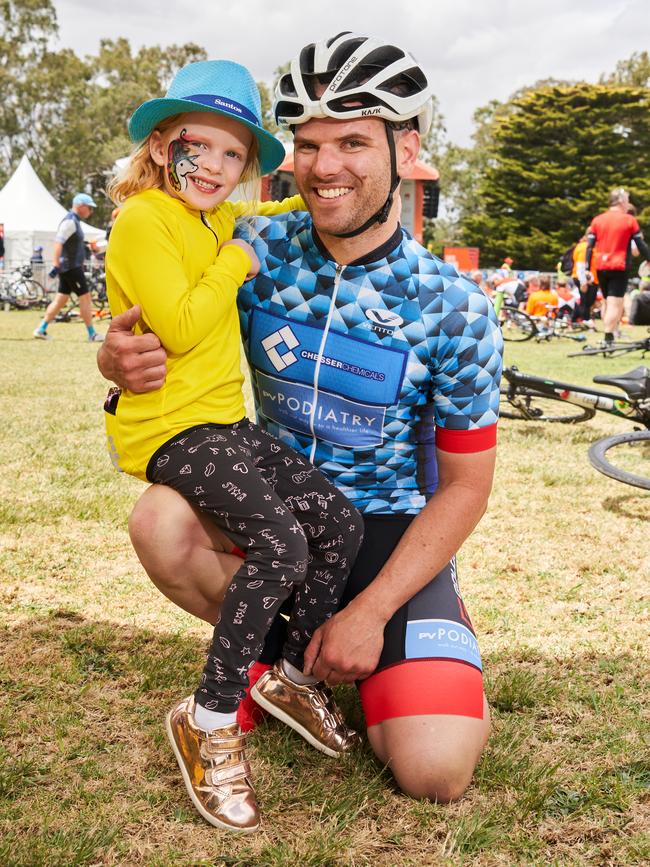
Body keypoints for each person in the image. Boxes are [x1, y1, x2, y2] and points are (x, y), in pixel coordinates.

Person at [97, 32, 503, 812]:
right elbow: (157, 323)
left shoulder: (454, 306)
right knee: (159, 521)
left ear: (405, 147)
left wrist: (375, 609)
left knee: (435, 770)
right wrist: (114, 366)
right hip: (275, 512)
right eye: (310, 144)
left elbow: (466, 489)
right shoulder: (254, 248)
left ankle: (387, 633)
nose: (325, 166)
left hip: (384, 533)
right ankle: (284, 666)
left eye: (352, 141)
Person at [104, 59, 364, 833]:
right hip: (171, 429)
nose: (213, 166)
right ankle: (209, 717)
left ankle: (286, 678)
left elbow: (281, 213)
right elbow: (179, 324)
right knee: (280, 545)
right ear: (161, 147)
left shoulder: (214, 218)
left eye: (231, 155)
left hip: (226, 423)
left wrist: (281, 212)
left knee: (337, 524)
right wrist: (238, 260)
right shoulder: (146, 219)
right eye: (198, 146)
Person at [33, 193, 104, 342]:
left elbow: (71, 243)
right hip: (71, 268)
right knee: (85, 297)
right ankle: (92, 334)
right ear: (80, 206)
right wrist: (56, 264)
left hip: (68, 267)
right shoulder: (70, 221)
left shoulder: (74, 222)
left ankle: (41, 329)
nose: (91, 211)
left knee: (60, 300)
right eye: (89, 207)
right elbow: (58, 242)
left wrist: (88, 247)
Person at [586, 188, 650, 345]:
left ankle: (609, 332)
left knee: (607, 302)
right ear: (621, 201)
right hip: (618, 266)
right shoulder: (629, 220)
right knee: (616, 303)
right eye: (627, 198)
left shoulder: (597, 220)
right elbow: (640, 245)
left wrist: (587, 268)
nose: (628, 201)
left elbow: (589, 246)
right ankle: (608, 336)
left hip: (600, 266)